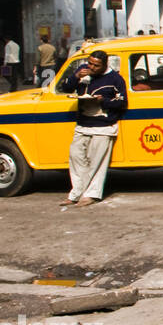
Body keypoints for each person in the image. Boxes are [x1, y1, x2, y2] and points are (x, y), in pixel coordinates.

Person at [62, 50, 128, 208]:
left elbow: (121, 103)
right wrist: (76, 77)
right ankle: (77, 192)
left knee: (96, 162)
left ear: (105, 65)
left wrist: (103, 101)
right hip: (82, 124)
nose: (91, 67)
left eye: (95, 65)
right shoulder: (83, 72)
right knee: (76, 157)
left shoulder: (115, 79)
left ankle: (91, 194)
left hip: (103, 126)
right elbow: (66, 88)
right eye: (90, 63)